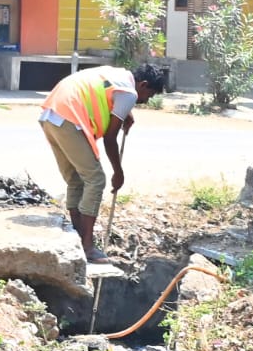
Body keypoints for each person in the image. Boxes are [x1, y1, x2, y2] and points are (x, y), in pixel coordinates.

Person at [39, 63, 168, 263]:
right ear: (143, 85)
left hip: (51, 114)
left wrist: (125, 113)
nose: (144, 101)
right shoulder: (130, 93)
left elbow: (104, 93)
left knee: (76, 179)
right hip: (68, 118)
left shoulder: (118, 75)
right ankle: (88, 247)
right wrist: (118, 172)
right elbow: (110, 138)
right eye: (148, 96)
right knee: (96, 179)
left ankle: (79, 237)